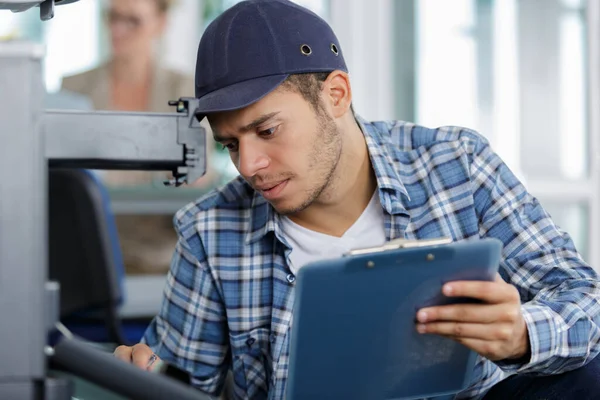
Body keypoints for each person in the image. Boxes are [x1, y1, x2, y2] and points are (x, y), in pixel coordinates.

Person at [114, 0, 600, 399]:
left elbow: (587, 300)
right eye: (231, 144)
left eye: (267, 130)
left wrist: (521, 334)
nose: (248, 165)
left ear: (336, 94)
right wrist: (146, 378)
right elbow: (179, 384)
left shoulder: (456, 165)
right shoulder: (209, 232)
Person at [62, 0, 215, 276]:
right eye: (113, 17)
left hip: (161, 253)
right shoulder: (73, 88)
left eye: (132, 20)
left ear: (160, 24)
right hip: (89, 249)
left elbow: (197, 175)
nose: (118, 29)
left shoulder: (183, 89)